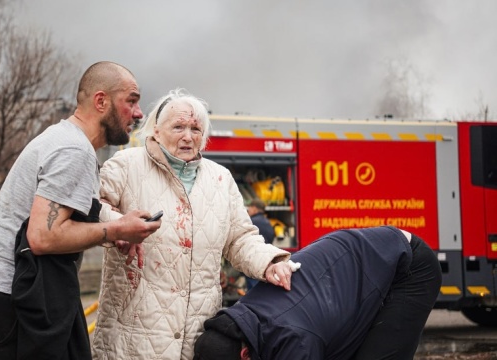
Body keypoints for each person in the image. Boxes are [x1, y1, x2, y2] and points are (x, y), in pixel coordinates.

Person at [0, 61, 162, 360]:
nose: (139, 112)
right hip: (7, 296)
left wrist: (114, 228)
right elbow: (42, 236)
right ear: (101, 101)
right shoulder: (73, 150)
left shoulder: (63, 139)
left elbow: (64, 217)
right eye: (131, 100)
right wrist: (118, 230)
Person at [91, 88, 299, 360]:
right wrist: (117, 226)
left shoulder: (220, 179)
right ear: (155, 130)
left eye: (195, 129)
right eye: (178, 127)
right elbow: (90, 208)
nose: (188, 136)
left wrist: (270, 263)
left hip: (197, 338)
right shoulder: (126, 165)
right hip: (133, 336)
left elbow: (241, 239)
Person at [193, 226, 443, 360]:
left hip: (407, 265)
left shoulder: (294, 341)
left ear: (244, 354)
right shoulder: (239, 321)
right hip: (358, 261)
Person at [245, 199, 276, 290]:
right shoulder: (267, 222)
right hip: (264, 262)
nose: (248, 211)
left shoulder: (251, 222)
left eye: (249, 208)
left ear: (254, 208)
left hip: (253, 262)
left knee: (253, 291)